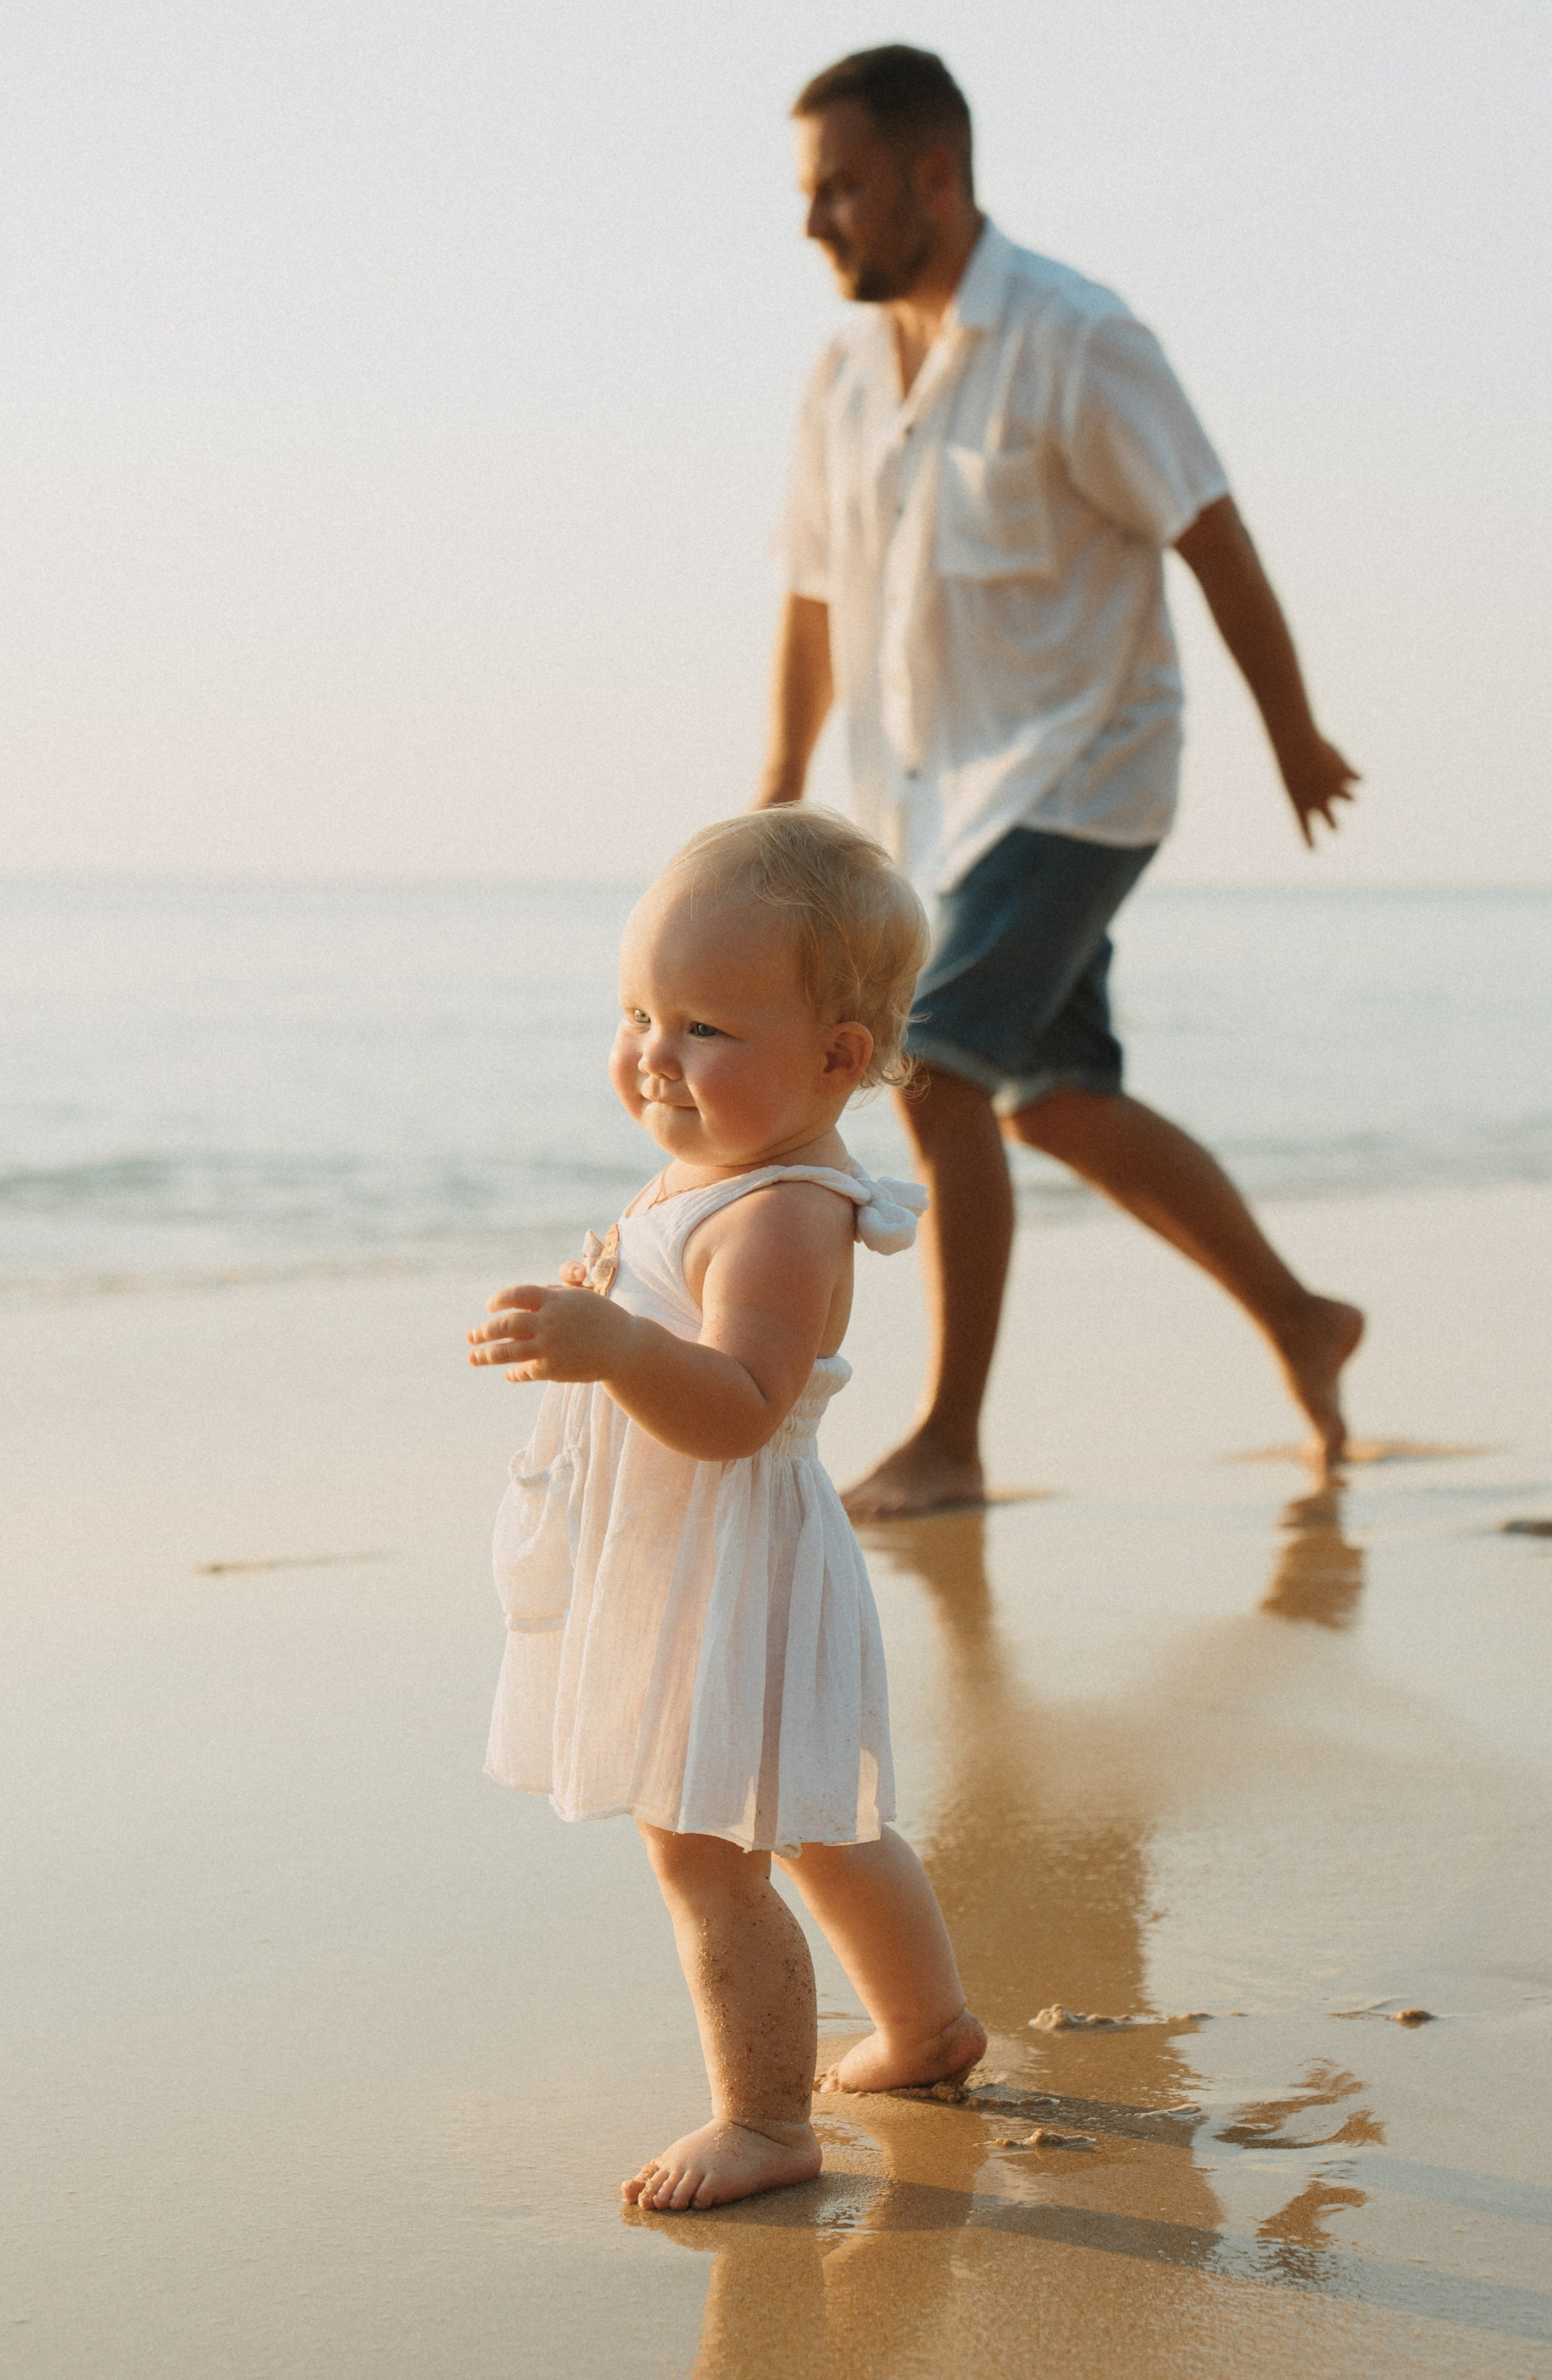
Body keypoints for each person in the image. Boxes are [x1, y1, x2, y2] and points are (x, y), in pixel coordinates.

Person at [760, 45, 1366, 1517]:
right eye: (805, 192)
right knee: (1054, 1103)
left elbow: (1207, 536)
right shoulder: (842, 378)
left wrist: (1290, 731)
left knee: (940, 1071)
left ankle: (950, 1443)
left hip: (1083, 778)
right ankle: (1300, 1318)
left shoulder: (1075, 339)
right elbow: (814, 600)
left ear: (933, 175)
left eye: (838, 187)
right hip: (934, 810)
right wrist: (777, 788)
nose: (814, 222)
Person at [467, 808, 986, 2212]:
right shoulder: (714, 1174)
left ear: (835, 1058)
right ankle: (924, 2027)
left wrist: (617, 1349)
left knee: (701, 1844)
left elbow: (740, 1402)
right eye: (637, 1012)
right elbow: (664, 1306)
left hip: (732, 1558)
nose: (652, 1053)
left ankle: (763, 2121)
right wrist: (601, 1305)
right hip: (699, 1554)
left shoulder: (782, 1211)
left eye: (702, 1027)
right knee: (817, 1818)